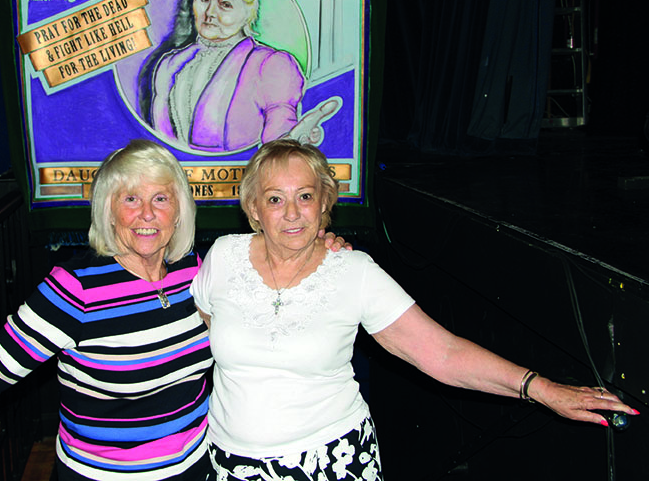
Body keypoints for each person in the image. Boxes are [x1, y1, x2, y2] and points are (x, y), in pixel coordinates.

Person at [0, 139, 349, 481]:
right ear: (109, 212)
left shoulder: (202, 272)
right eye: (131, 199)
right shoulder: (74, 289)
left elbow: (279, 277)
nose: (147, 214)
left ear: (179, 211)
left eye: (161, 199)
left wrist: (321, 247)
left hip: (197, 469)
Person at [191, 139, 639, 481]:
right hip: (231, 463)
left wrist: (541, 389)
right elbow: (205, 331)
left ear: (325, 204)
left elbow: (441, 353)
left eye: (305, 196)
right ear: (253, 208)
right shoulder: (224, 258)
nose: (292, 213)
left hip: (330, 462)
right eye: (275, 199)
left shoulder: (354, 272)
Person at [146, 0, 339, 153]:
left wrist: (293, 140)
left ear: (248, 11)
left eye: (225, 4)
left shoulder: (272, 64)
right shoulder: (169, 64)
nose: (210, 12)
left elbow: (278, 138)